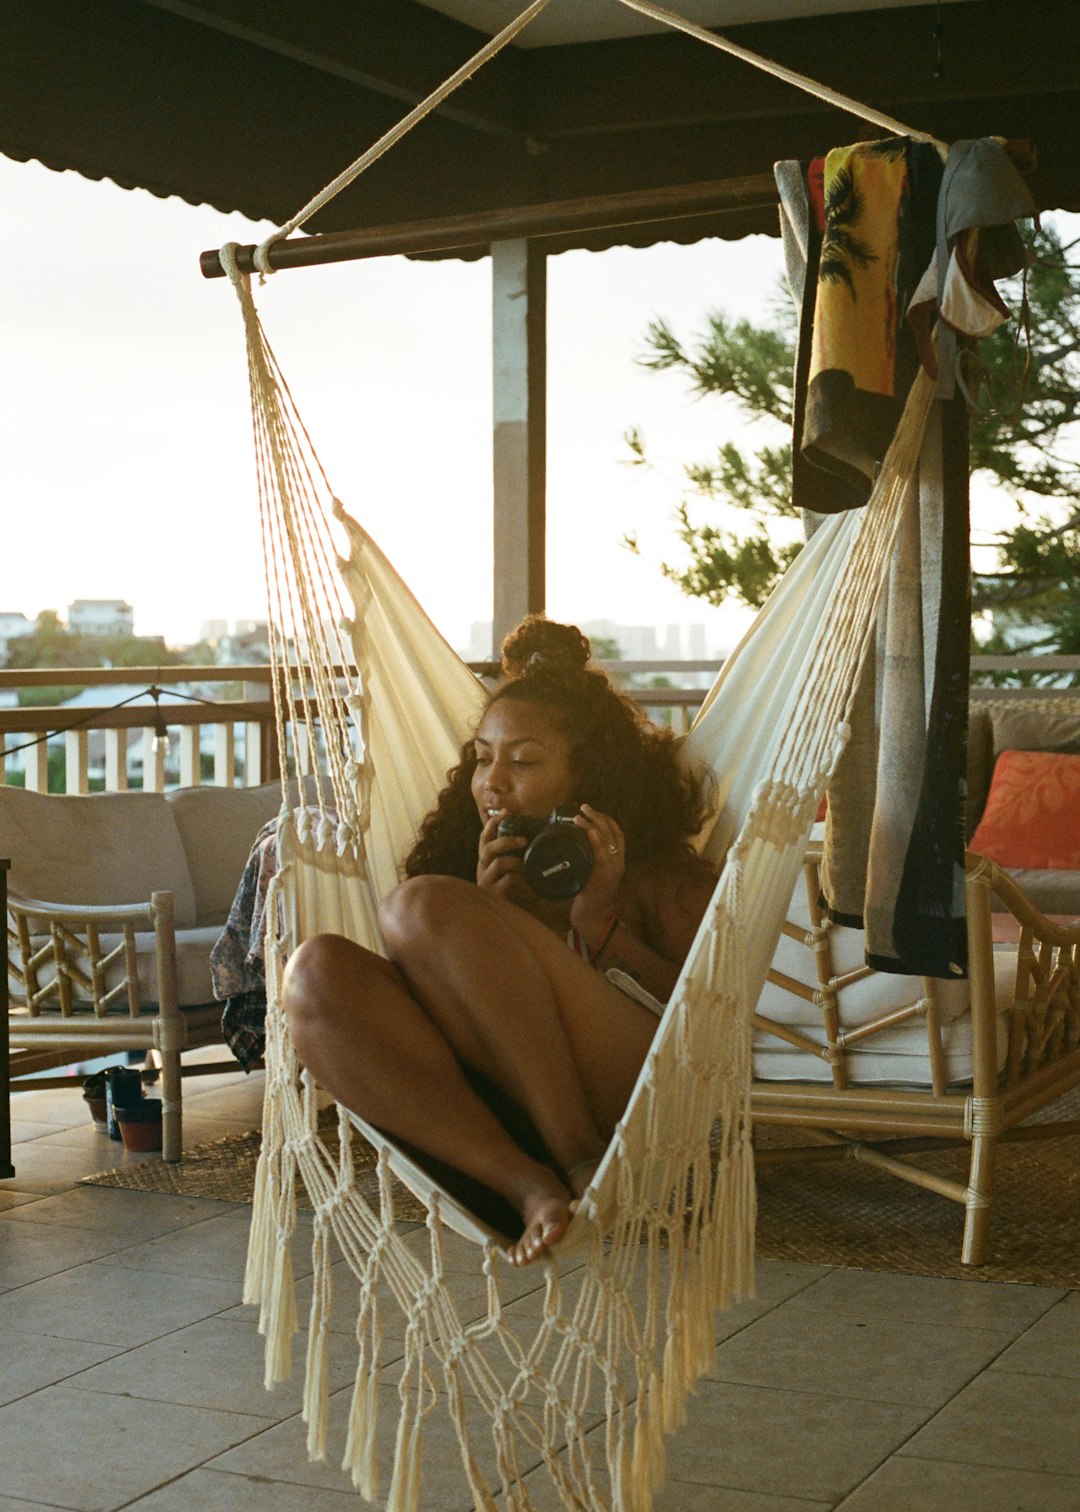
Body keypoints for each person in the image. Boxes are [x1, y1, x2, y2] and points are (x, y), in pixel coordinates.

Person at [283, 617, 717, 1266]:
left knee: (420, 904)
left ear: (587, 776)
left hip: (631, 1096)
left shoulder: (658, 875)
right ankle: (527, 1184)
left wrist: (599, 926)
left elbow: (714, 1022)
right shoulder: (469, 867)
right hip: (494, 1106)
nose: (492, 782)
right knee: (315, 971)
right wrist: (489, 914)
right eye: (483, 758)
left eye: (524, 761)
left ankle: (578, 1159)